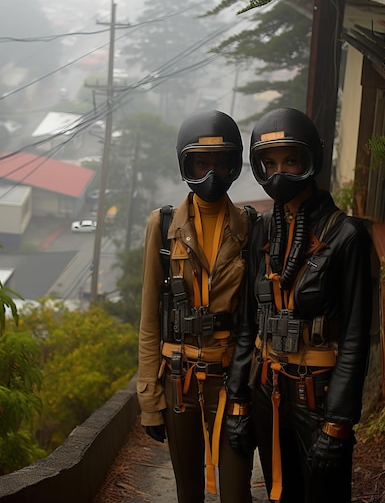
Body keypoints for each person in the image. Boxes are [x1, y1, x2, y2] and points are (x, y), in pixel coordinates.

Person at [225, 107, 372, 503]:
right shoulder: (261, 231)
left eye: (291, 160)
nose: (279, 173)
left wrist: (338, 422)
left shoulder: (347, 237)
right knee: (278, 493)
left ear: (312, 160)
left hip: (318, 396)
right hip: (267, 389)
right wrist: (238, 400)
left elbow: (356, 339)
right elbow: (247, 325)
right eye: (269, 163)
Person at [137, 109, 254, 503]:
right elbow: (149, 319)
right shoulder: (163, 224)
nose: (211, 175)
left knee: (236, 492)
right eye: (200, 163)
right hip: (178, 378)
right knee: (189, 493)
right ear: (185, 164)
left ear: (235, 164)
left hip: (232, 379)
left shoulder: (250, 227)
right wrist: (150, 401)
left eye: (221, 164)